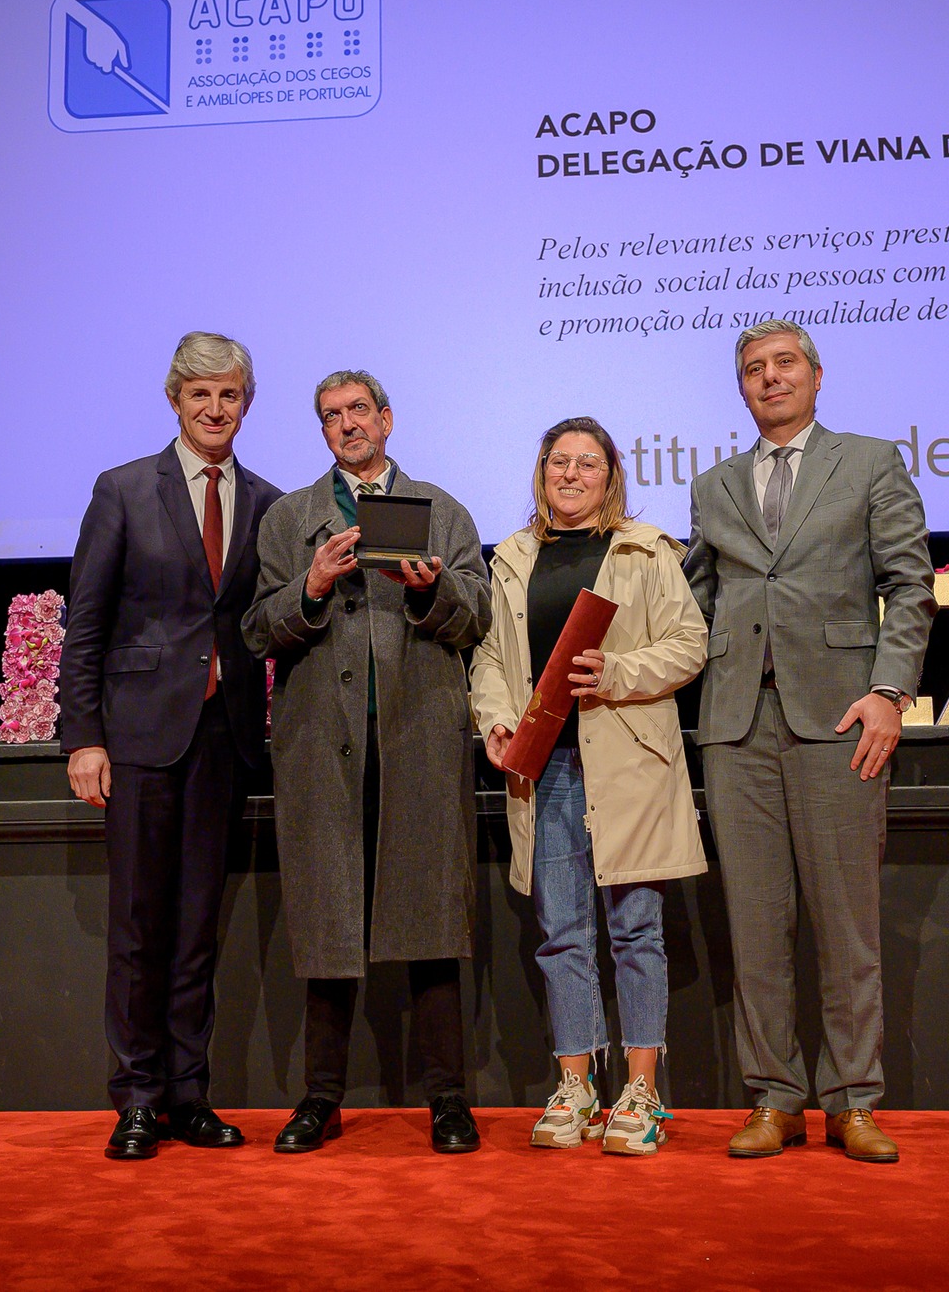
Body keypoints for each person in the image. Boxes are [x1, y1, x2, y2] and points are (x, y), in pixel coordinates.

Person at [684, 321, 934, 1162]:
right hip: (734, 725)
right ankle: (775, 1096)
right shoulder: (713, 484)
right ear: (741, 389)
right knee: (756, 926)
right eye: (752, 369)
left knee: (846, 923)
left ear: (817, 377)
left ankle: (854, 1098)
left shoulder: (868, 461)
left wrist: (889, 692)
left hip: (838, 720)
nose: (768, 378)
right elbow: (693, 603)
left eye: (783, 363)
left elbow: (909, 582)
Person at [242, 369, 491, 1154]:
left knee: (431, 919)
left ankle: (447, 1098)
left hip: (417, 737)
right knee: (328, 918)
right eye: (330, 417)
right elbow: (257, 628)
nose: (347, 425)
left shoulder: (441, 510)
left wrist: (431, 589)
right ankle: (319, 1098)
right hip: (324, 745)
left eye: (358, 411)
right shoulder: (290, 517)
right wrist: (310, 587)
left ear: (387, 418)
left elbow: (478, 613)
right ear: (322, 433)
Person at [59, 331, 283, 1160]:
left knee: (196, 929)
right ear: (175, 401)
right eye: (200, 396)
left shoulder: (266, 499)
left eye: (228, 395)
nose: (214, 409)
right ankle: (138, 1097)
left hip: (225, 741)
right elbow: (84, 624)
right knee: (140, 925)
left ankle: (190, 1093)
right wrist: (83, 737)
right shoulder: (122, 489)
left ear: (245, 404)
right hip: (141, 738)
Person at [468, 417, 708, 1156]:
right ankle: (576, 1084)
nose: (571, 474)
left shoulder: (644, 550)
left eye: (587, 463)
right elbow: (488, 659)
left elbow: (689, 644)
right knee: (561, 934)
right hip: (547, 770)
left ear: (611, 477)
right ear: (541, 472)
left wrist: (616, 673)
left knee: (637, 931)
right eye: (558, 462)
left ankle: (642, 1091)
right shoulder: (508, 557)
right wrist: (497, 721)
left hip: (629, 763)